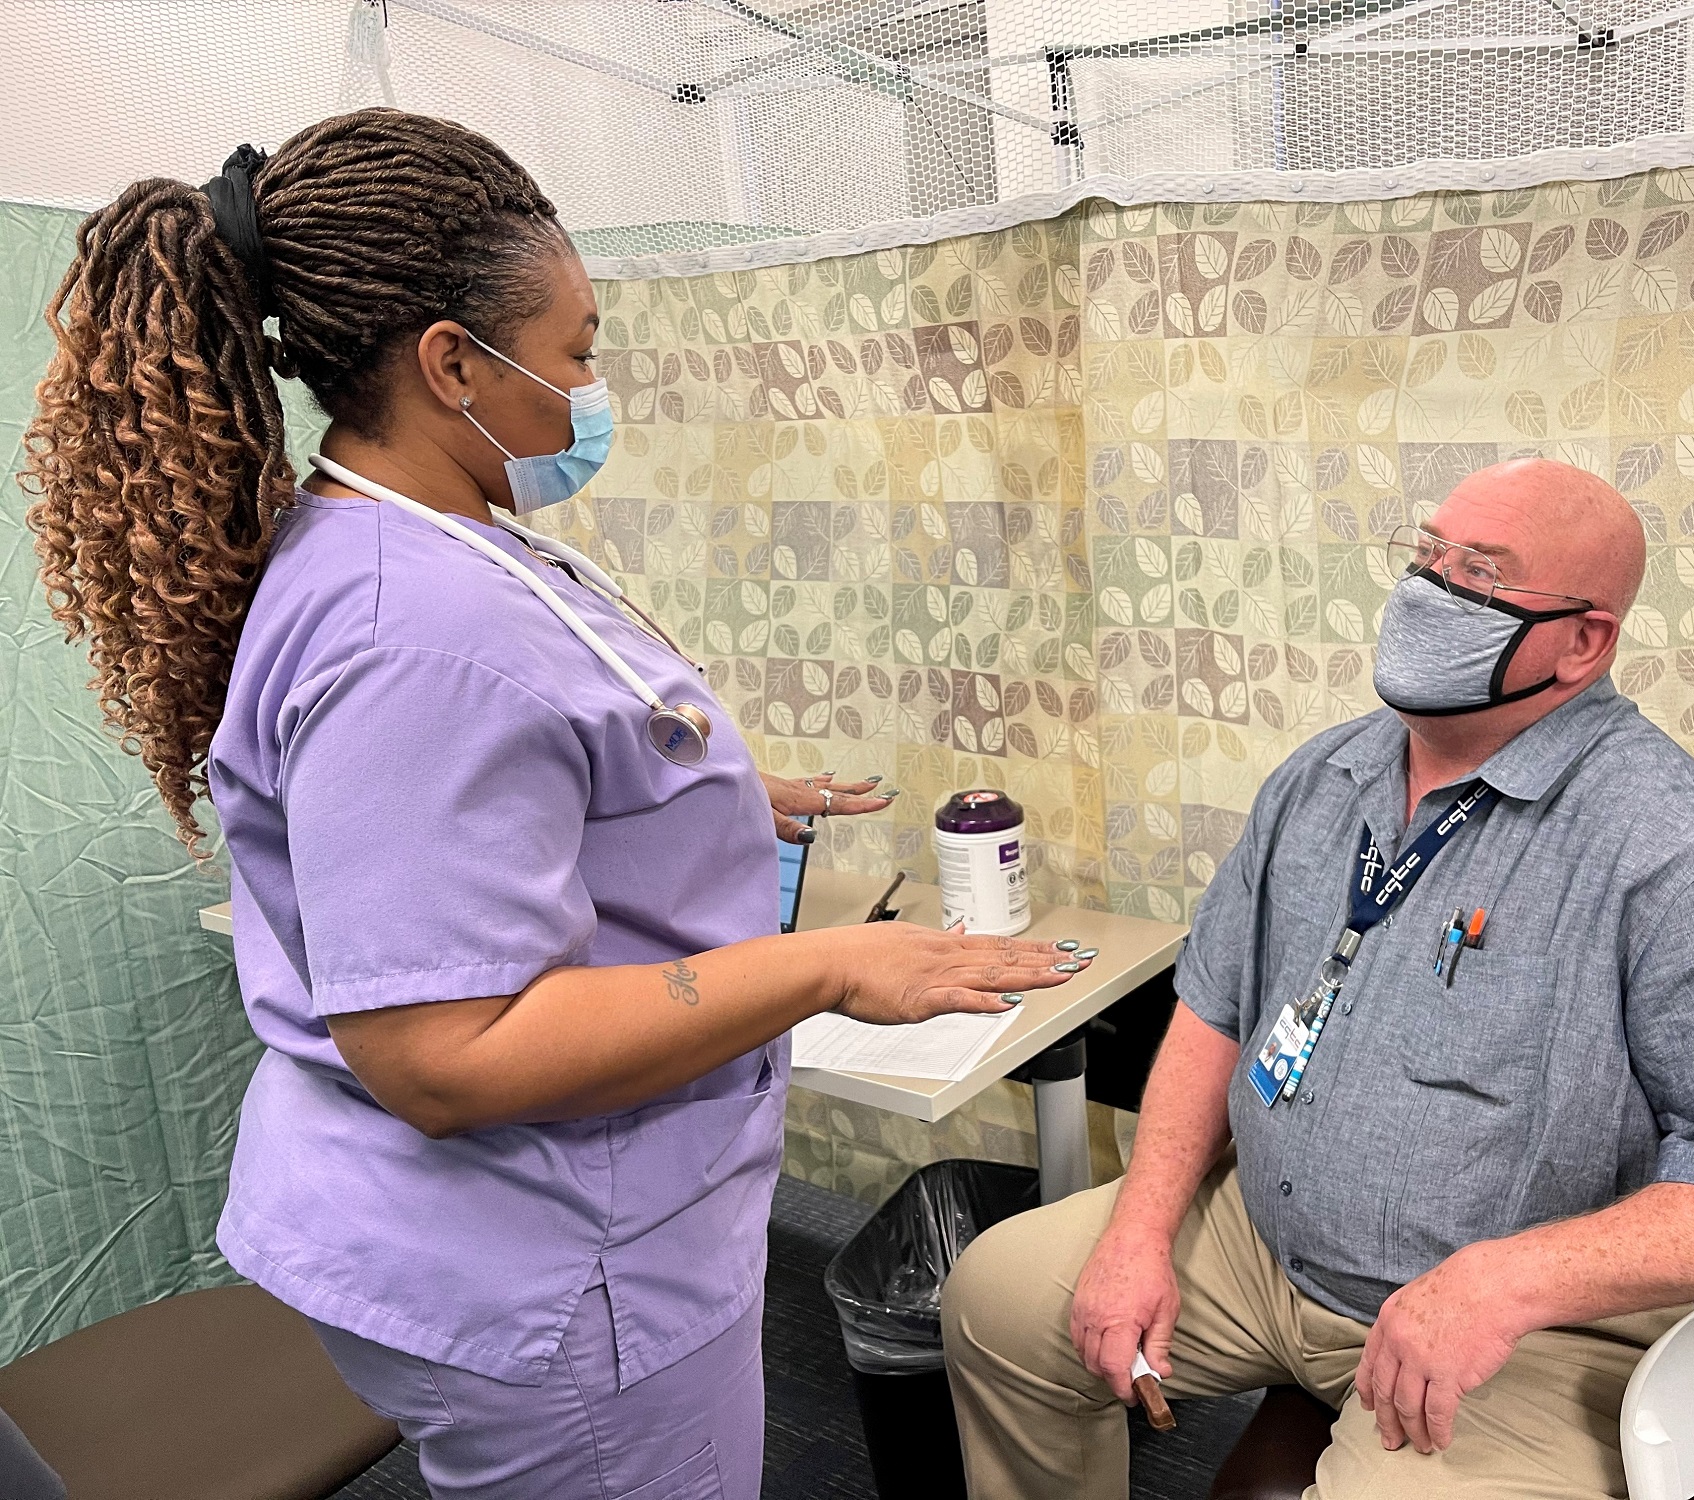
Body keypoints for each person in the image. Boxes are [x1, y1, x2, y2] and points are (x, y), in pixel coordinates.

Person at [20, 109, 1089, 1500]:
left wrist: (688, 788)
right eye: (577, 352)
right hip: (550, 1275)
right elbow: (444, 1054)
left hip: (537, 1235)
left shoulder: (418, 534)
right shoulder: (412, 625)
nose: (591, 388)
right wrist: (823, 964)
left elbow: (516, 760)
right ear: (452, 363)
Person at [941, 458, 1694, 1499]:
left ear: (1583, 641)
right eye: (1425, 556)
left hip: (1530, 1329)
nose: (1426, 593)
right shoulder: (1323, 779)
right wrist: (1137, 1231)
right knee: (995, 1302)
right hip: (1262, 1243)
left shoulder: (1660, 846)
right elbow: (1214, 1008)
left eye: (1480, 578)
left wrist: (1507, 1279)